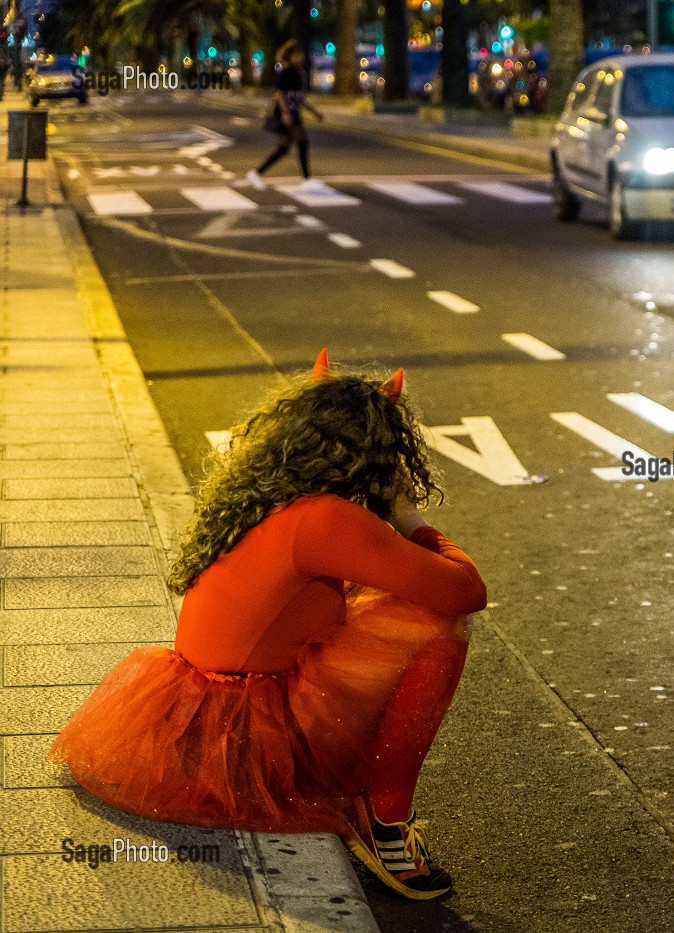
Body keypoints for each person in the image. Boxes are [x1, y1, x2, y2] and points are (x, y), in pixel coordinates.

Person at [50, 350, 486, 901]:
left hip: (195, 722)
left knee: (381, 592)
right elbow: (466, 589)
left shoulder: (266, 496)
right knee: (437, 627)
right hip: (246, 743)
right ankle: (385, 817)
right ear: (374, 454)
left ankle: (369, 798)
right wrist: (411, 519)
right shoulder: (327, 518)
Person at [247, 41, 323, 189]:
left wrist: (314, 112)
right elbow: (280, 94)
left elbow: (299, 98)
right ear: (290, 57)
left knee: (283, 149)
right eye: (297, 55)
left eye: (300, 54)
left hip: (293, 112)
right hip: (289, 114)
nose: (300, 57)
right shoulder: (287, 73)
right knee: (302, 142)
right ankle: (307, 179)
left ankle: (256, 173)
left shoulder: (298, 73)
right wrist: (285, 113)